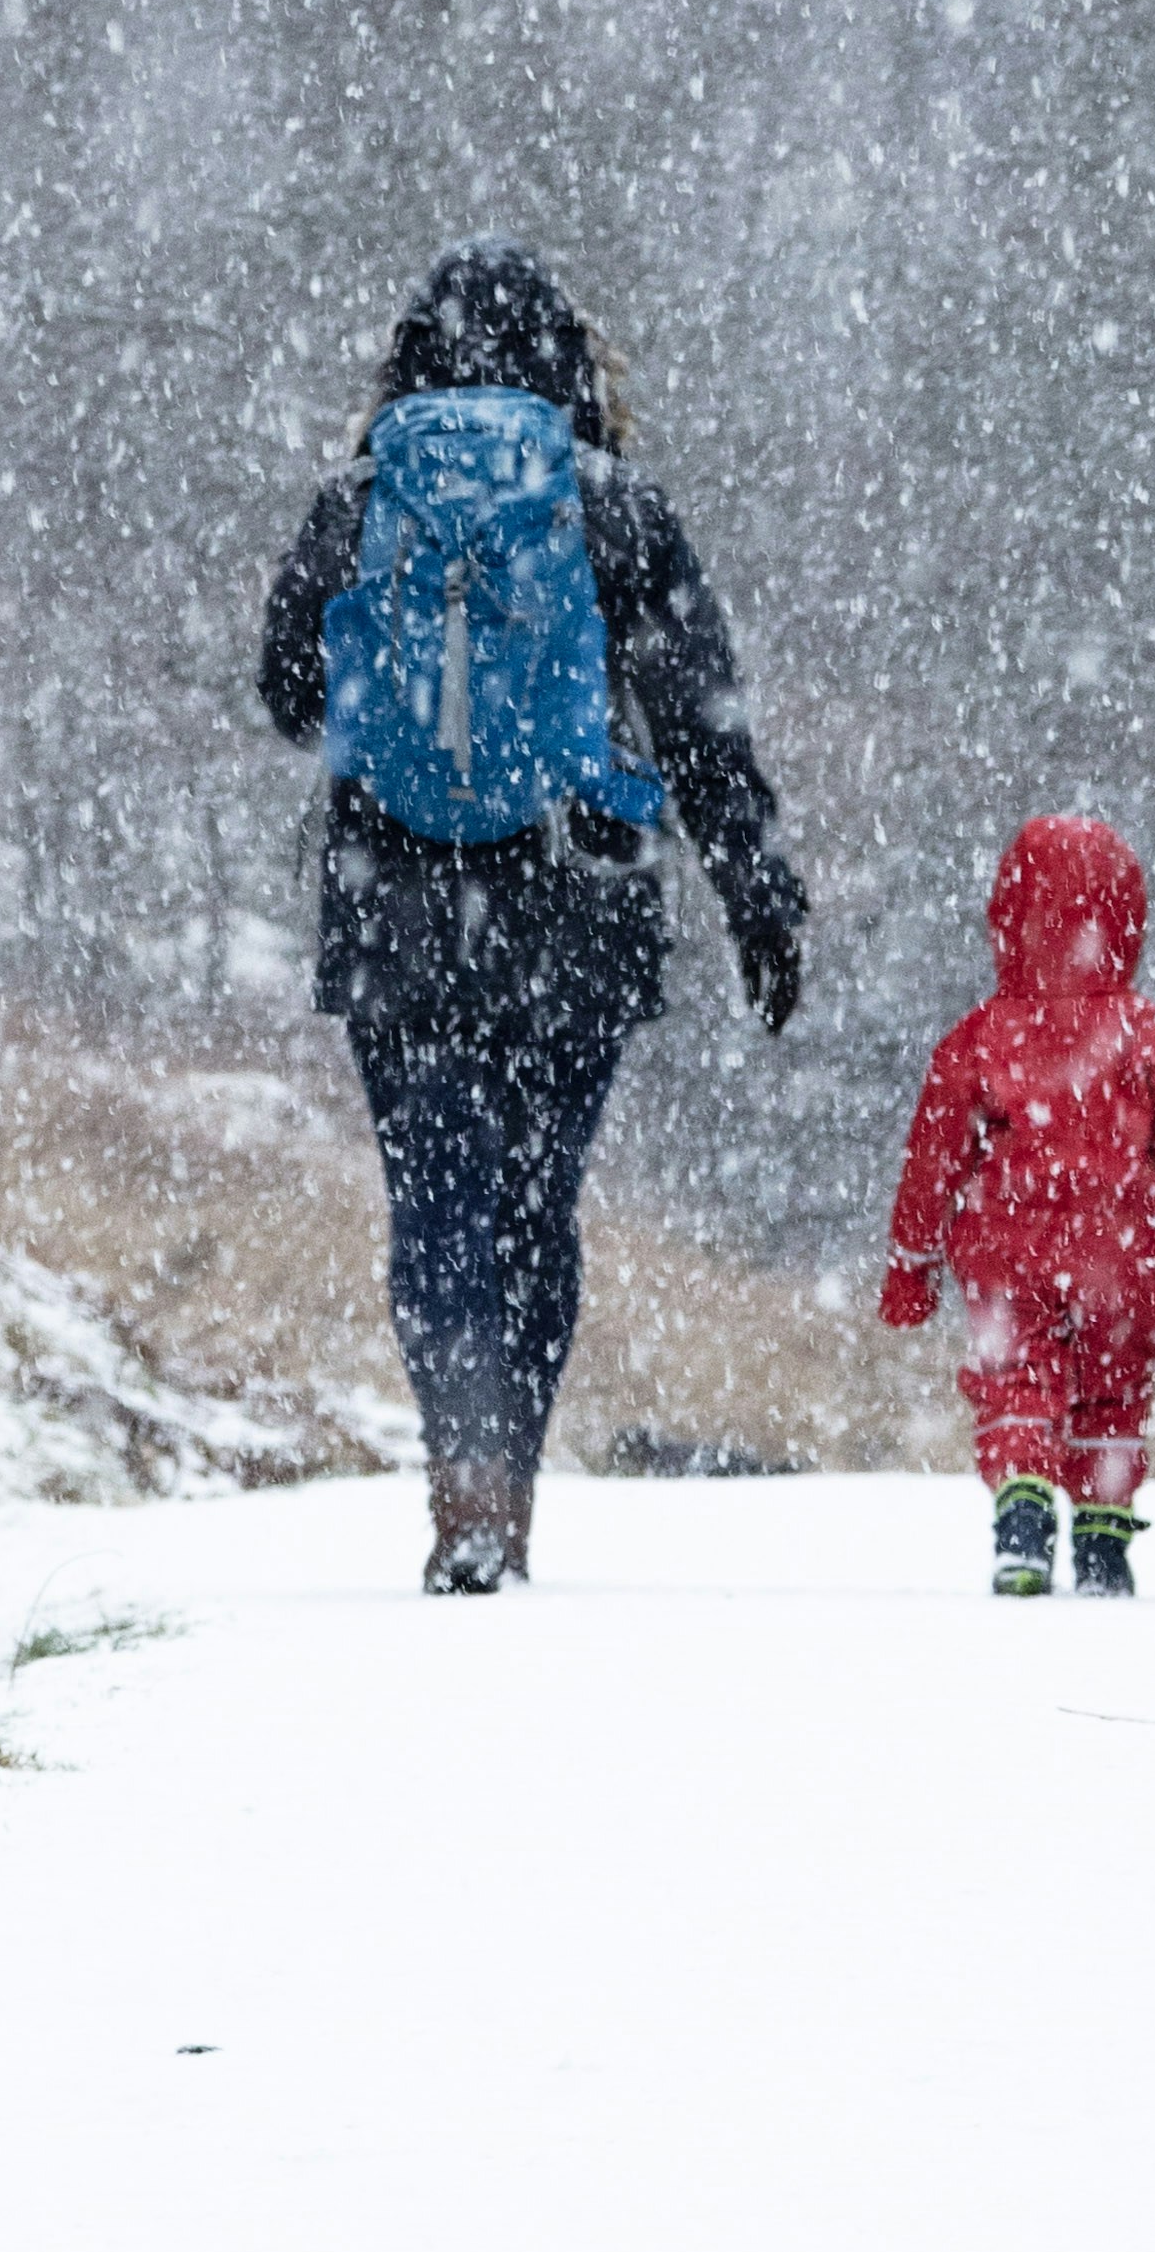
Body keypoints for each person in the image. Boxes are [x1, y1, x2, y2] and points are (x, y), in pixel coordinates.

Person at [259, 243, 806, 1594]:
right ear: (570, 361)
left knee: (434, 1200)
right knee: (533, 1205)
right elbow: (698, 720)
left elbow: (283, 688)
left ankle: (464, 1482)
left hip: (394, 910)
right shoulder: (612, 508)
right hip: (577, 904)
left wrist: (403, 706)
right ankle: (514, 1469)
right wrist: (757, 892)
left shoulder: (361, 499)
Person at [880, 814, 1155, 1600]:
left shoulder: (979, 1039)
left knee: (1014, 1382)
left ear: (1008, 917)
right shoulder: (1149, 1034)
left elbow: (934, 1163)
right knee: (1113, 1388)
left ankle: (1021, 1520)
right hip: (1123, 1258)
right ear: (1126, 919)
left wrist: (910, 1266)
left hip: (1004, 1251)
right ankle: (1102, 1540)